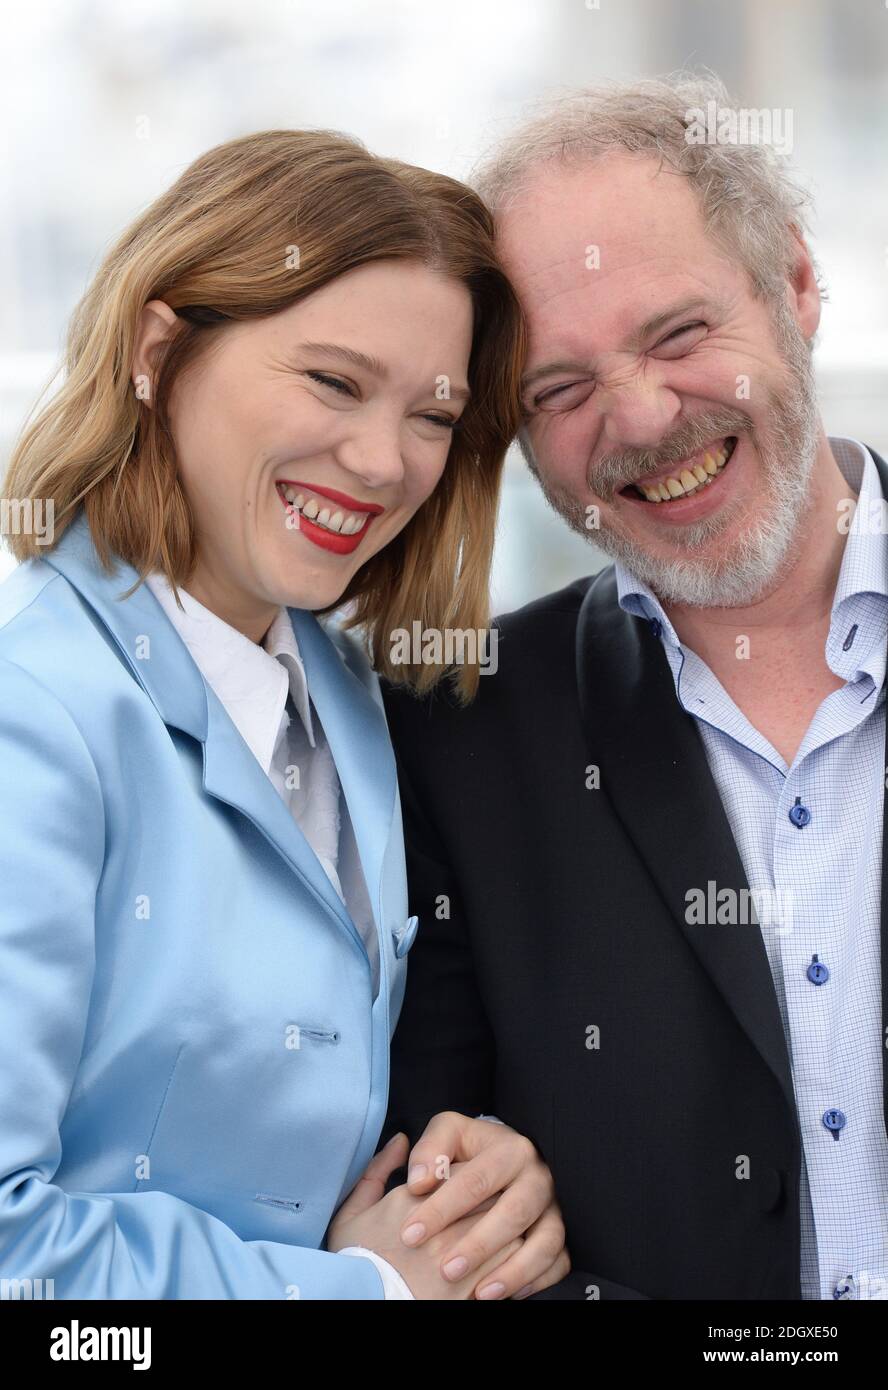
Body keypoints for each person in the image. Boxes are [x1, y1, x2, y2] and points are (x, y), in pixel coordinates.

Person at [0, 128, 569, 1300]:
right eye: (333, 380)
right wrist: (364, 1292)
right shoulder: (36, 718)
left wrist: (467, 1182)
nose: (381, 461)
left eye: (433, 413)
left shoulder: (351, 702)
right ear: (160, 351)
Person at [381, 74, 888, 1300]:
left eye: (677, 334)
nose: (645, 416)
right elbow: (442, 1205)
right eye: (560, 390)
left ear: (799, 287)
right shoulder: (453, 736)